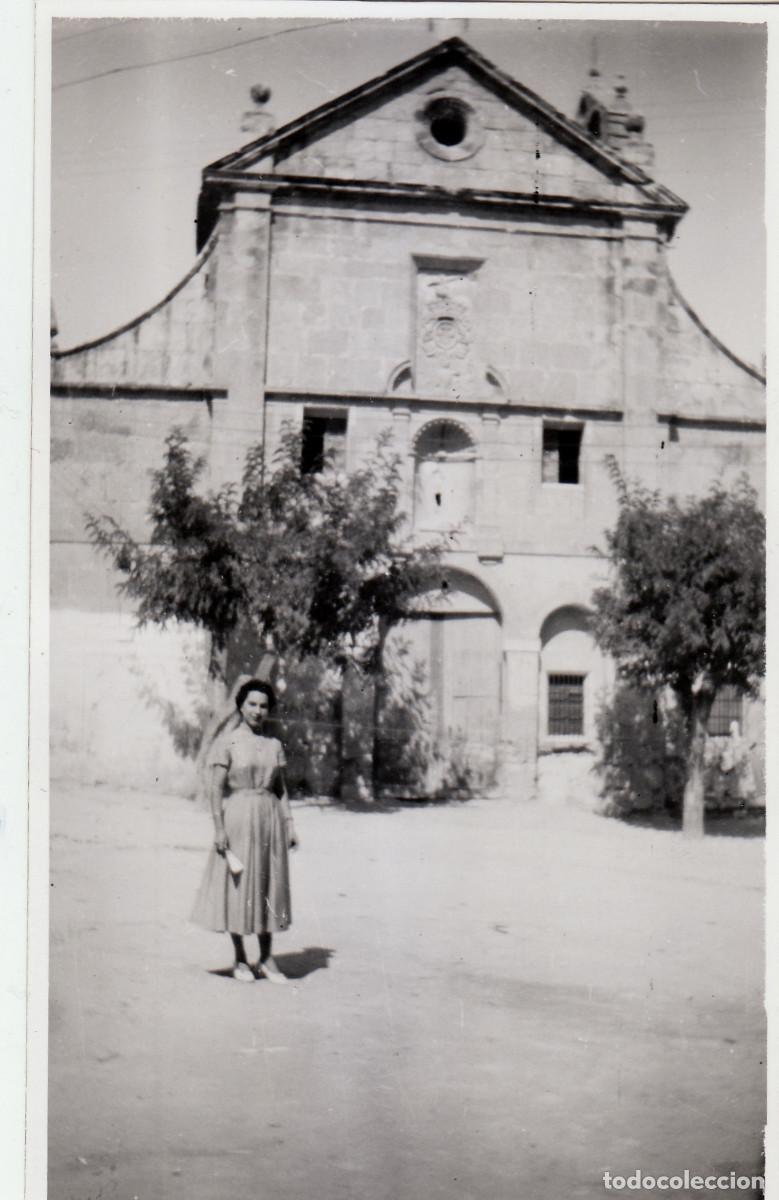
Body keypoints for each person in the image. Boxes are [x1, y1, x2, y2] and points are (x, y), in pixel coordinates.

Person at [192, 678, 298, 983]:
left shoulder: (273, 745)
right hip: (238, 817)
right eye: (252, 704)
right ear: (240, 706)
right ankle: (240, 957)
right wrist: (218, 828)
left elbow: (281, 789)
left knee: (268, 885)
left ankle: (266, 958)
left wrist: (289, 824)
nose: (257, 710)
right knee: (238, 886)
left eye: (263, 706)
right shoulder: (227, 742)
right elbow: (215, 788)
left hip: (269, 820)